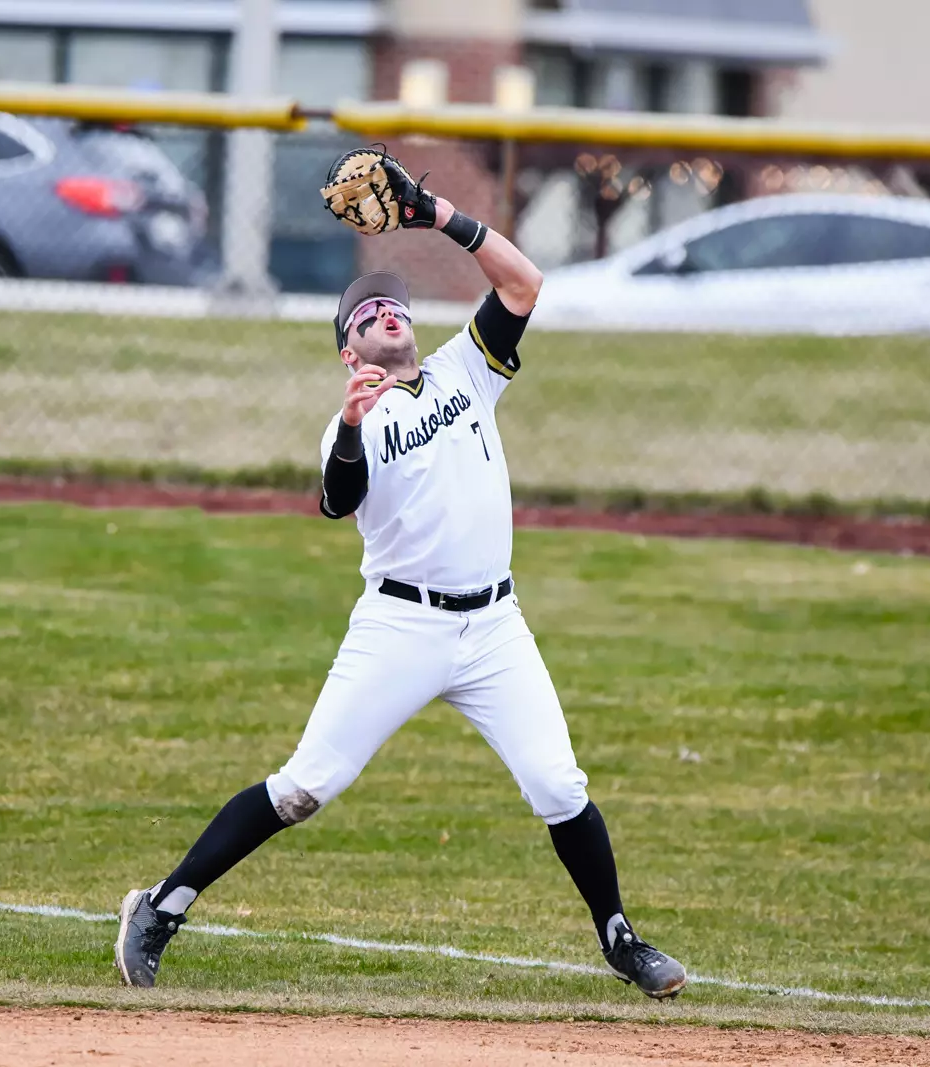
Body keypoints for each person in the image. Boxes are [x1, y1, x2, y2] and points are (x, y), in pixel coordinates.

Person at [114, 178, 688, 1000]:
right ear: (349, 354)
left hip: (494, 627)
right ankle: (161, 906)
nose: (386, 313)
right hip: (401, 626)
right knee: (304, 785)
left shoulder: (466, 370)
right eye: (365, 315)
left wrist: (437, 214)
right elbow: (337, 497)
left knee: (559, 785)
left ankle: (620, 938)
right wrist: (351, 423)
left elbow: (524, 284)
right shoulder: (353, 421)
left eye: (394, 305)